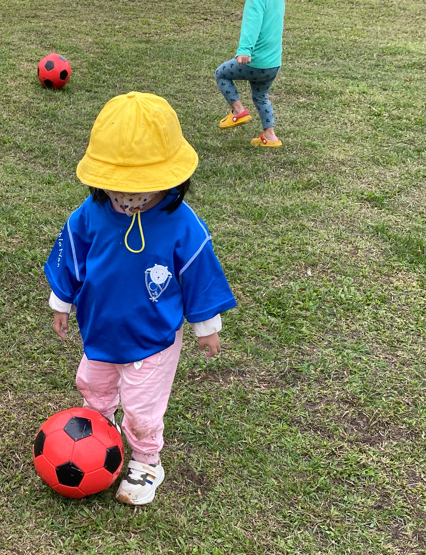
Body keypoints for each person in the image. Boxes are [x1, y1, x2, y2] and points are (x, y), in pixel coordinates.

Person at [44, 92, 237, 506]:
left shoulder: (182, 224)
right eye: (117, 187)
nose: (127, 197)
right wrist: (62, 301)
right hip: (101, 329)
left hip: (153, 337)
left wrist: (206, 326)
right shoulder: (90, 214)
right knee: (93, 385)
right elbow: (71, 256)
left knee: (142, 408)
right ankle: (100, 432)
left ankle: (147, 461)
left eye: (140, 188)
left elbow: (200, 275)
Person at [215, 0, 285, 147]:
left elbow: (252, 23)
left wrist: (245, 49)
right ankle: (270, 136)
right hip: (273, 63)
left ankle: (238, 111)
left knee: (221, 73)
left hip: (255, 62)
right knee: (261, 96)